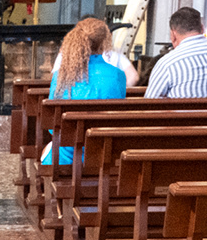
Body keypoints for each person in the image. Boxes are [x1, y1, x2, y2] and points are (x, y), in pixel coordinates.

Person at [41, 17, 137, 168]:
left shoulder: (61, 75)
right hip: (104, 153)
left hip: (66, 156)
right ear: (104, 42)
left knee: (49, 149)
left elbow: (53, 127)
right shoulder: (118, 75)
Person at [144, 7, 207, 98]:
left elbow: (150, 102)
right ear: (202, 29)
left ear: (173, 35)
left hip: (182, 112)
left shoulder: (168, 63)